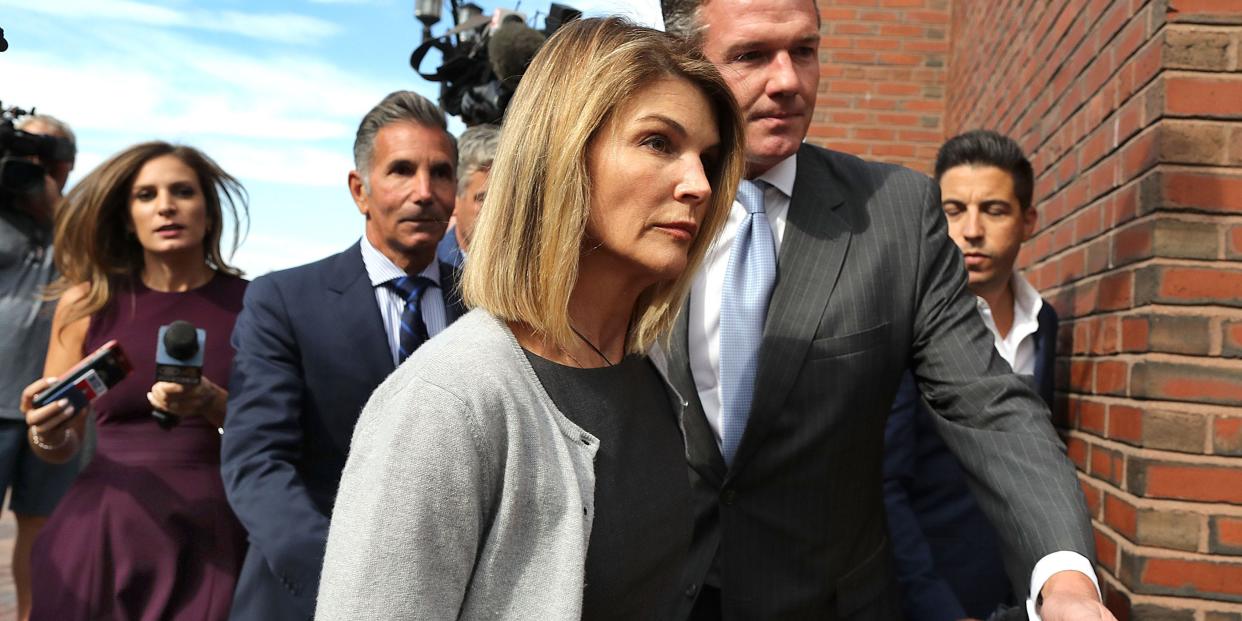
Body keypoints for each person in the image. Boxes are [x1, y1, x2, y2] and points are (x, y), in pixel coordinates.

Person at [658, 0, 1113, 619]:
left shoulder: (898, 213)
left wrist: (1064, 579)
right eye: (751, 55)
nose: (788, 80)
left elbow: (986, 402)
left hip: (829, 601)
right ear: (688, 62)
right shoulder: (635, 197)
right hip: (657, 592)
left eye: (806, 50)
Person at [316, 17, 744, 619]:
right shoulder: (448, 400)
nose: (699, 184)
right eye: (658, 143)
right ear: (561, 152)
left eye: (709, 157)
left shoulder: (652, 380)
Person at [221, 90, 467, 621]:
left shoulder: (489, 305)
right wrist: (346, 586)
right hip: (314, 597)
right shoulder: (284, 301)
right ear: (360, 190)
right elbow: (257, 461)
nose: (423, 192)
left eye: (441, 173)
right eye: (401, 170)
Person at [17, 141, 250, 620]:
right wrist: (48, 428)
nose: (165, 205)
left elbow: (276, 428)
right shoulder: (84, 304)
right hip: (103, 529)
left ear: (208, 212)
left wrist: (211, 403)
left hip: (218, 532)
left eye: (182, 191)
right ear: (127, 218)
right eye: (146, 195)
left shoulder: (257, 304)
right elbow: (58, 447)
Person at [883, 130, 1059, 621]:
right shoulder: (904, 325)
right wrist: (938, 607)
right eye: (954, 211)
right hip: (925, 594)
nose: (972, 230)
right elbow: (884, 485)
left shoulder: (1046, 324)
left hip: (1018, 596)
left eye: (994, 210)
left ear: (1028, 221)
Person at [0, 113, 77, 621]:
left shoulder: (78, 223)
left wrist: (51, 200)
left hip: (51, 405)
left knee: (41, 528)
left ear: (63, 166)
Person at [436, 123, 500, 268]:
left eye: (506, 199)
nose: (499, 211)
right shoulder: (430, 271)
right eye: (484, 199)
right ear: (454, 199)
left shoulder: (535, 273)